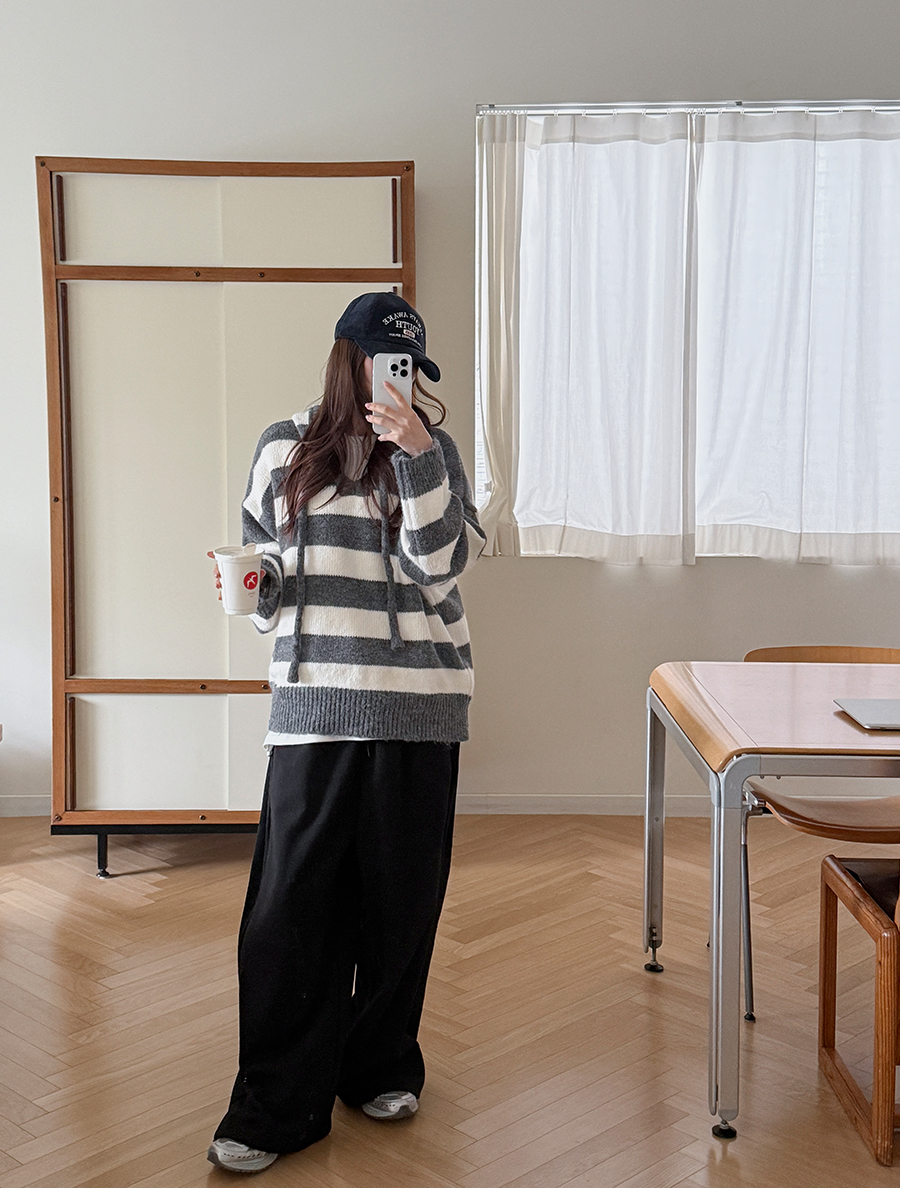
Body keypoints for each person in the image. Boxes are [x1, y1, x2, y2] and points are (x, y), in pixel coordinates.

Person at [206, 292, 485, 1174]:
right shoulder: (282, 446)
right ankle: (275, 1104)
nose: (398, 380)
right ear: (347, 359)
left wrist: (416, 456)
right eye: (384, 361)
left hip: (419, 705)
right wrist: (252, 588)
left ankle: (379, 1066)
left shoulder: (435, 453)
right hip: (315, 705)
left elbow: (441, 568)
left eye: (410, 367)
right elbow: (265, 563)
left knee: (400, 905)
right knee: (289, 912)